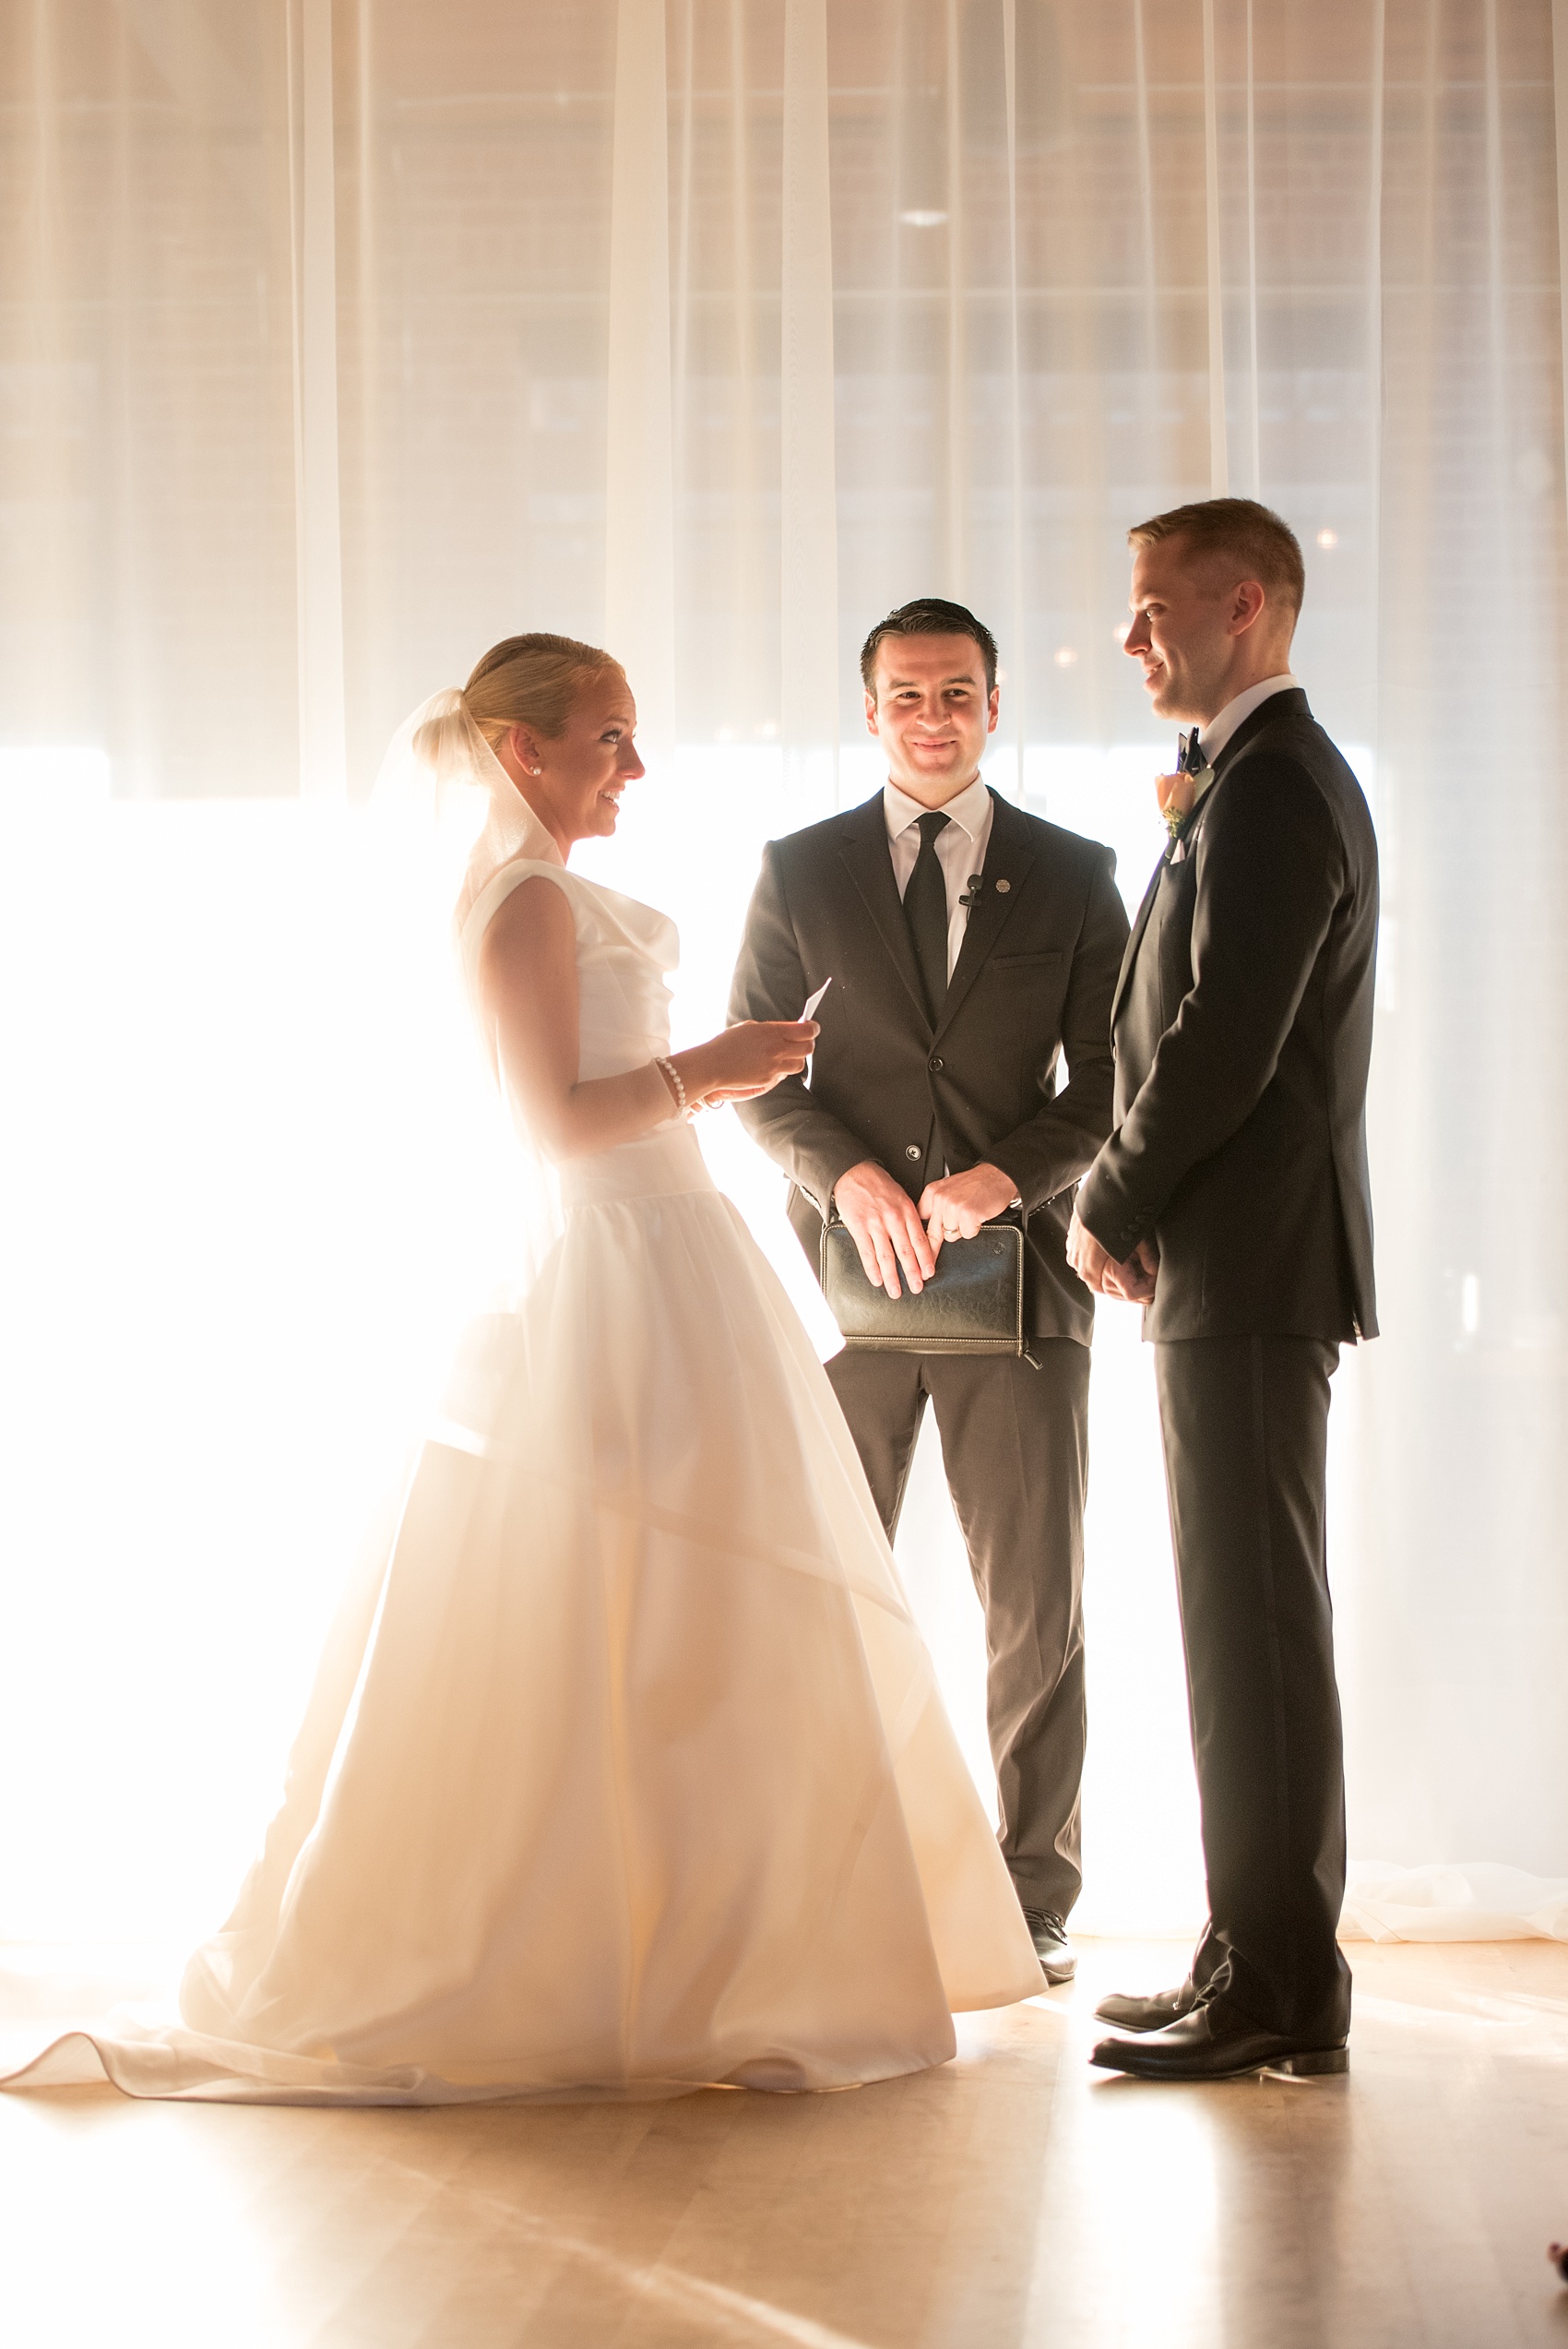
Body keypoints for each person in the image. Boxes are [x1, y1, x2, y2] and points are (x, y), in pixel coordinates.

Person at [2, 634, 1040, 2106]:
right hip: (615, 1266)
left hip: (669, 1256)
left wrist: (709, 1071)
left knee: (707, 1614)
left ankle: (722, 1950)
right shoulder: (524, 900)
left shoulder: (536, 894)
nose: (634, 763)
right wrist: (719, 1067)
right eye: (609, 737)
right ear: (520, 755)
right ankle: (613, 1962)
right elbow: (550, 1121)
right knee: (612, 1606)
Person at [729, 599, 1129, 1984]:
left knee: (1035, 1604)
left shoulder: (1078, 874)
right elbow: (759, 1073)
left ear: (996, 705)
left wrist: (1001, 1179)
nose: (933, 715)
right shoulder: (799, 869)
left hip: (1022, 1299)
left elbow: (1116, 1083)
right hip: (845, 1302)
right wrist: (847, 1179)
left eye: (957, 692)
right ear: (871, 710)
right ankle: (818, 1869)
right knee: (825, 1586)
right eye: (907, 693)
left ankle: (1035, 1898)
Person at [1069, 499, 1378, 2083]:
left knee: (1252, 1624)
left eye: (1149, 608)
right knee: (1240, 1621)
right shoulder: (1254, 780)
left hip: (1250, 1267)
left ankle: (1278, 1986)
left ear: (1241, 605)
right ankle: (1249, 1952)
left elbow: (1222, 1039)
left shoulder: (1275, 788)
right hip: (1234, 1266)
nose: (1129, 638)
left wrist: (1105, 1198)